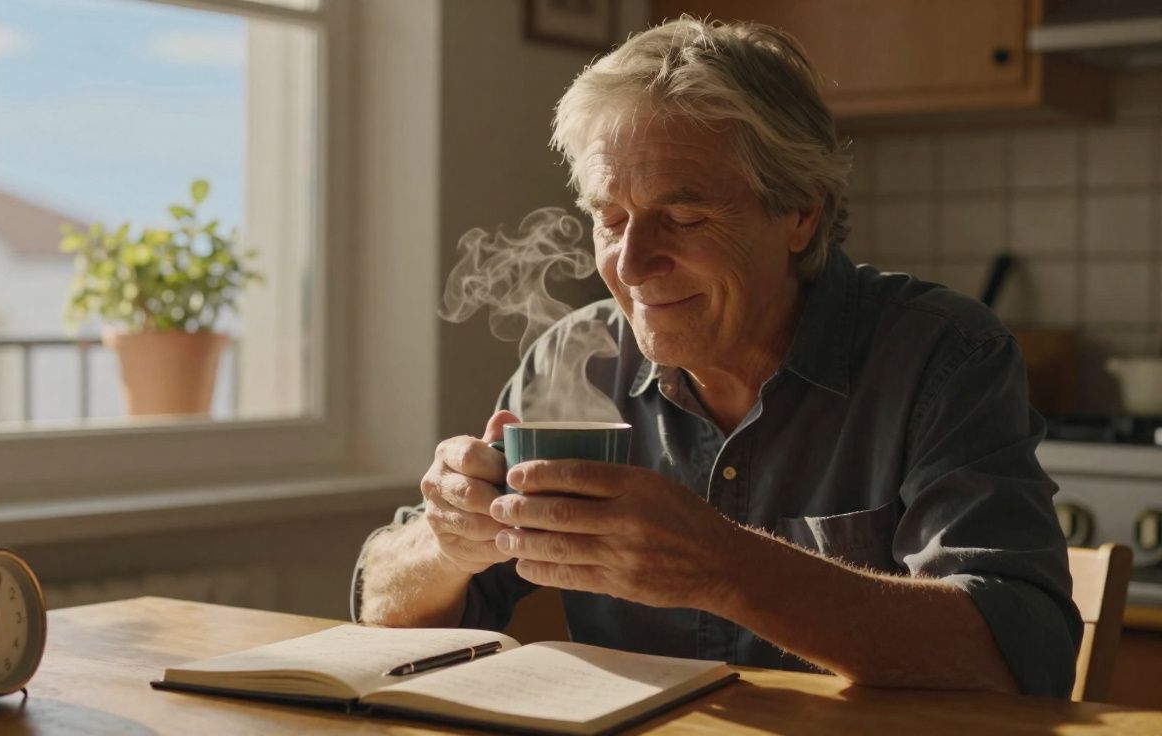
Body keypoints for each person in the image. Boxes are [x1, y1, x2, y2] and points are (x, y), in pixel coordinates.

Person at [351, 17, 1080, 698]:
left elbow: (1023, 656)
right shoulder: (576, 357)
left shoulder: (942, 357)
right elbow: (381, 609)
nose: (632, 264)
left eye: (683, 217)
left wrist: (725, 569)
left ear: (800, 212)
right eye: (611, 220)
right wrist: (447, 542)